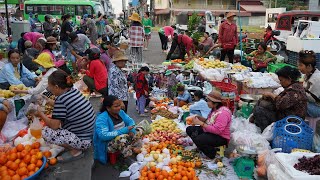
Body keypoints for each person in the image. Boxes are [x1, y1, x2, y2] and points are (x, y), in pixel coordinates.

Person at [33, 70, 95, 162]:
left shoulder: (61, 100)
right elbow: (67, 106)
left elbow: (54, 126)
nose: (49, 89)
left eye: (50, 87)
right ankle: (74, 145)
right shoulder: (73, 91)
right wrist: (48, 101)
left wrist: (41, 113)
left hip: (83, 141)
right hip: (90, 135)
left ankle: (75, 151)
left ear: (57, 87)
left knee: (45, 132)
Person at [252, 66, 308, 131]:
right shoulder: (294, 86)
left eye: (281, 80)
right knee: (262, 102)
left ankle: (267, 132)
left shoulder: (295, 91)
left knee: (258, 110)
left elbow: (281, 104)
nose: (280, 83)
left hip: (290, 122)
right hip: (285, 115)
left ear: (289, 79)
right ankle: (255, 119)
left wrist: (271, 94)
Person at [94, 95, 139, 164]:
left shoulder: (120, 112)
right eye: (116, 106)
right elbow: (103, 135)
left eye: (119, 105)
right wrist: (124, 130)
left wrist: (131, 130)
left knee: (139, 129)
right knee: (122, 139)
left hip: (124, 135)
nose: (119, 108)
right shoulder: (102, 118)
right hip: (109, 143)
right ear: (108, 108)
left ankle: (135, 149)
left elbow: (130, 121)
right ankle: (127, 158)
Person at [186, 90, 232, 159]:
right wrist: (199, 118)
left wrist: (200, 123)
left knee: (199, 139)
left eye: (208, 101)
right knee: (190, 130)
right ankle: (202, 147)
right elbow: (209, 121)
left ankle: (211, 153)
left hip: (221, 137)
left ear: (215, 103)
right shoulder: (214, 109)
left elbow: (217, 130)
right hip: (210, 131)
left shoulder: (223, 113)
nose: (207, 103)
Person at [297, 50, 320, 118]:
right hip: (312, 103)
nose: (299, 68)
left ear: (309, 66)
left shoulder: (316, 79)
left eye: (301, 65)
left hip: (316, 107)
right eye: (298, 65)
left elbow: (312, 99)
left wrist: (299, 91)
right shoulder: (309, 74)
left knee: (294, 104)